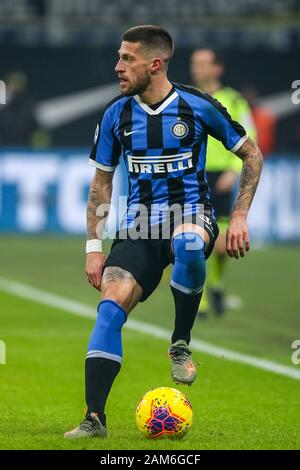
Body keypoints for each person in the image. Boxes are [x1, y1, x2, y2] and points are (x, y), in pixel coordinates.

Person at [64, 25, 263, 439]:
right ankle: (94, 418)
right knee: (109, 305)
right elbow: (101, 186)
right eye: (119, 57)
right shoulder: (115, 114)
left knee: (188, 242)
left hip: (191, 214)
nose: (118, 67)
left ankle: (180, 343)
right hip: (137, 228)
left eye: (127, 59)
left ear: (154, 64)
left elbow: (251, 155)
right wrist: (93, 248)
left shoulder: (198, 106)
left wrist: (240, 216)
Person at [190, 48, 257, 316]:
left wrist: (233, 170)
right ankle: (203, 298)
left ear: (217, 68)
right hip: (196, 175)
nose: (197, 69)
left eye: (203, 64)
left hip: (222, 175)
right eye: (195, 64)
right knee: (195, 238)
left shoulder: (235, 100)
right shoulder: (188, 97)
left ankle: (216, 283)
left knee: (221, 245)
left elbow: (249, 137)